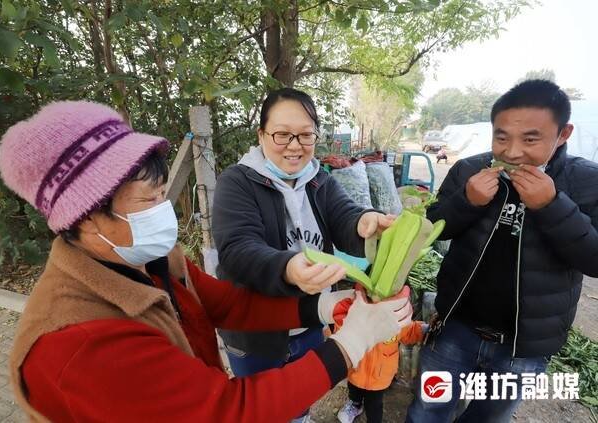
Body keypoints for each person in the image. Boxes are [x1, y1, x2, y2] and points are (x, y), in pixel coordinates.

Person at [0, 101, 414, 422]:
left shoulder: (151, 258)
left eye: (163, 194)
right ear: (86, 217)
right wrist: (350, 344)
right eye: (149, 200)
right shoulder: (80, 342)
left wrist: (322, 305)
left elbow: (228, 304)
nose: (165, 212)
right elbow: (227, 410)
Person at [406, 79, 598, 422]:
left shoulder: (585, 181)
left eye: (531, 139)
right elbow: (432, 229)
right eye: (501, 137)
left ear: (563, 134)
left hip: (523, 348)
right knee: (427, 412)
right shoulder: (469, 170)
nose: (511, 152)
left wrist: (553, 207)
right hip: (455, 329)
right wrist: (468, 201)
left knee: (488, 418)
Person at [212, 88, 396, 421]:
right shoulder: (236, 182)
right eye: (282, 135)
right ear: (262, 134)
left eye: (305, 135)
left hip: (309, 319)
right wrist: (288, 269)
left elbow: (345, 217)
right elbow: (238, 249)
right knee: (260, 407)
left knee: (300, 399)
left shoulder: (319, 182)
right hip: (254, 329)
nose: (295, 146)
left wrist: (366, 222)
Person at [334, 287, 427, 423]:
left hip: (379, 378)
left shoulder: (398, 320)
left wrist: (424, 329)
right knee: (354, 391)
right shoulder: (356, 312)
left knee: (374, 404)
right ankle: (355, 405)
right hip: (356, 370)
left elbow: (410, 331)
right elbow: (340, 327)